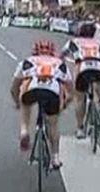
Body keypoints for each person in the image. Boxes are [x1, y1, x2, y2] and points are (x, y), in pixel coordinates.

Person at [10, 40, 73, 170]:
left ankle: (24, 131)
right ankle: (55, 157)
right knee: (53, 123)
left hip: (31, 88)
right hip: (52, 91)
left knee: (25, 105)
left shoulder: (27, 62)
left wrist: (17, 102)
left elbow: (14, 87)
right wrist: (64, 104)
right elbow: (71, 90)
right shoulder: (60, 63)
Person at [61, 21, 100, 139]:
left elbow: (61, 56)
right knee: (99, 79)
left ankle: (80, 129)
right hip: (98, 66)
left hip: (82, 68)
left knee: (80, 99)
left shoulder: (73, 42)